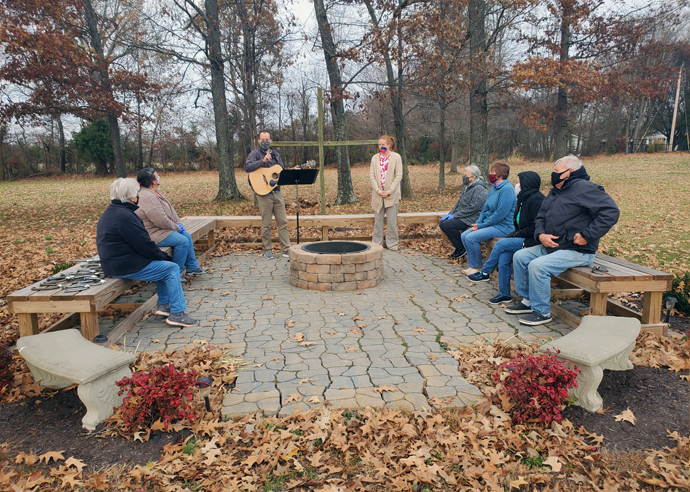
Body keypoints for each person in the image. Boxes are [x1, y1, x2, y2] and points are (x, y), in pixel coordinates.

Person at [505, 155, 620, 326]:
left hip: (577, 250)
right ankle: (527, 301)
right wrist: (541, 235)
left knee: (537, 266)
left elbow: (611, 212)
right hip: (553, 246)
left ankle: (542, 312)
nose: (553, 173)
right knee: (520, 256)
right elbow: (540, 217)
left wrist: (587, 235)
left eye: (556, 170)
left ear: (569, 172)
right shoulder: (555, 191)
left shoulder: (585, 189)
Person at [96, 178, 198, 327]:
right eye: (137, 194)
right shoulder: (125, 217)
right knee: (172, 268)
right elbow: (144, 245)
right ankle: (177, 313)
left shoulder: (114, 212)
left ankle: (164, 305)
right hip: (122, 266)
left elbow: (142, 244)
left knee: (166, 264)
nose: (138, 197)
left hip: (116, 262)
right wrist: (163, 256)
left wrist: (162, 257)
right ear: (131, 197)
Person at [467, 171, 545, 304]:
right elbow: (518, 221)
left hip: (533, 240)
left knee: (500, 244)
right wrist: (516, 232)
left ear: (527, 183)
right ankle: (504, 294)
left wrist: (517, 234)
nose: (518, 184)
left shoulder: (537, 200)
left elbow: (535, 227)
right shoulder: (522, 198)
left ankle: (486, 272)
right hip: (520, 235)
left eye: (520, 182)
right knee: (503, 258)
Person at [135, 168, 207, 281]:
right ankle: (176, 273)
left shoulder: (155, 191)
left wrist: (178, 222)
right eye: (157, 176)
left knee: (187, 235)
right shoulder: (147, 196)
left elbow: (170, 209)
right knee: (182, 241)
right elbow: (160, 220)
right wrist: (176, 227)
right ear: (153, 181)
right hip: (153, 234)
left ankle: (192, 268)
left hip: (161, 229)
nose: (159, 177)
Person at [460, 161, 516, 276]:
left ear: (499, 175)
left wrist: (481, 226)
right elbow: (485, 209)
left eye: (492, 172)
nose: (489, 174)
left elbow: (500, 214)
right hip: (490, 224)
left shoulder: (507, 190)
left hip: (503, 226)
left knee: (471, 238)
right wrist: (478, 223)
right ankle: (472, 265)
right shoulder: (493, 188)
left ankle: (477, 266)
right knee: (464, 235)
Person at [245, 131, 291, 259]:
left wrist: (291, 172)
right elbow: (247, 167)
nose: (265, 142)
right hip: (264, 194)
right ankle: (267, 250)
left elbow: (279, 170)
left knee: (283, 222)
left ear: (271, 141)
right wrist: (262, 161)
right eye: (262, 139)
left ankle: (286, 249)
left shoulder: (276, 154)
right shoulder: (254, 154)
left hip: (277, 192)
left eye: (267, 139)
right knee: (266, 224)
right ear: (259, 141)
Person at [439, 165, 488, 259]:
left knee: (448, 224)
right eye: (464, 175)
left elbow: (473, 208)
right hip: (463, 215)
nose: (464, 177)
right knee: (442, 222)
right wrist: (451, 213)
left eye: (466, 175)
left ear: (473, 177)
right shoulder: (466, 187)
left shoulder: (479, 189)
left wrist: (456, 215)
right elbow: (459, 202)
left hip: (472, 217)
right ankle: (458, 247)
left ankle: (462, 248)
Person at [369, 135, 403, 250]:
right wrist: (378, 191)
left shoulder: (396, 157)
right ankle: (376, 244)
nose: (380, 146)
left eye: (382, 144)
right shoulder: (375, 158)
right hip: (378, 196)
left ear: (389, 145)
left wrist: (390, 191)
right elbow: (372, 176)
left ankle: (392, 244)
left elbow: (398, 176)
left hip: (392, 196)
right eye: (379, 144)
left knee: (391, 222)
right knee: (378, 221)